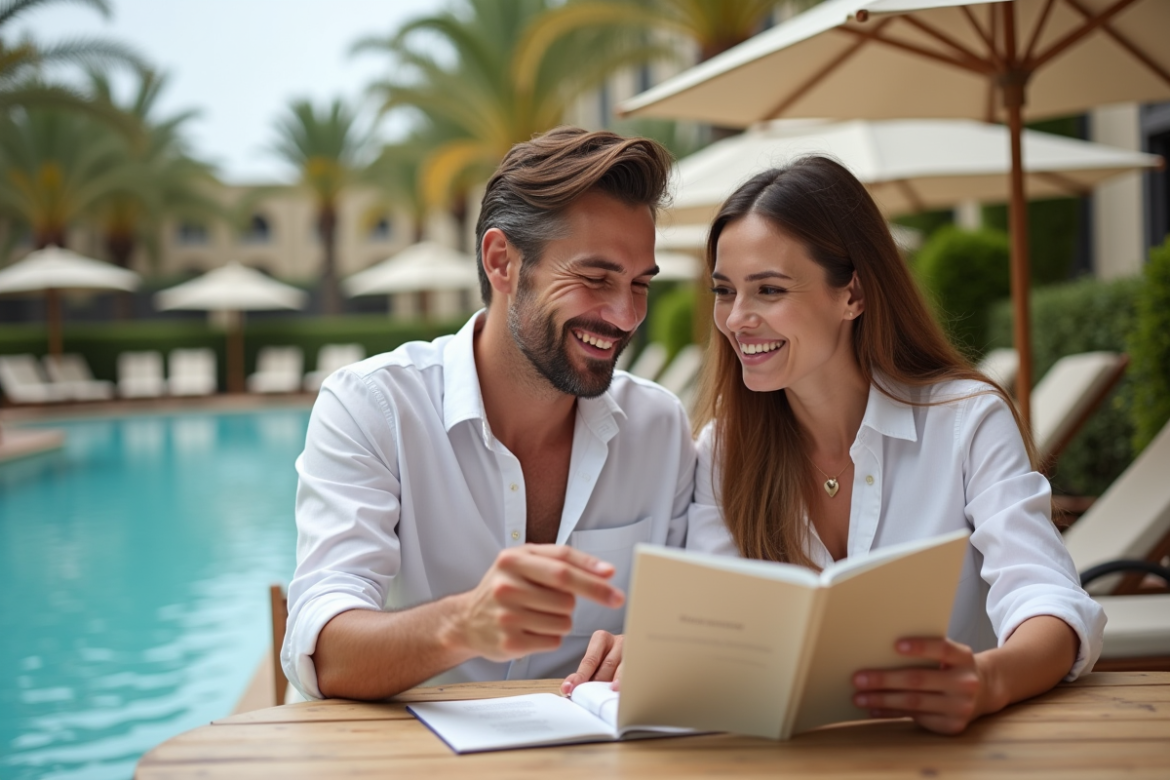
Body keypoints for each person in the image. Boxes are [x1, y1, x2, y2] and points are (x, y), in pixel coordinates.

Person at [566, 156, 1104, 735]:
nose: (737, 319)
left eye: (769, 290)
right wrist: (660, 646)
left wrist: (989, 680)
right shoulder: (724, 450)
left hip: (949, 755)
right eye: (725, 291)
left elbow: (1047, 598)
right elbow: (721, 622)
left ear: (853, 294)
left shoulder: (966, 422)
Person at [283, 127, 695, 700]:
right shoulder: (373, 407)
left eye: (639, 284)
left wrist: (659, 645)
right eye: (596, 278)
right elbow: (323, 654)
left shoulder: (659, 428)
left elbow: (689, 626)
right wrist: (465, 624)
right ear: (502, 262)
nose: (625, 315)